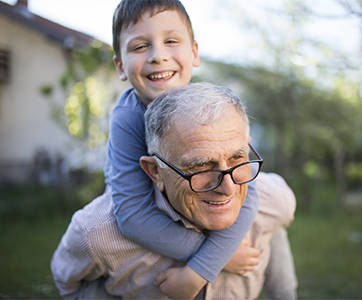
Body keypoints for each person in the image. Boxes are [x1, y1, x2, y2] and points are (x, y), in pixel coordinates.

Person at [51, 82, 298, 299]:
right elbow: (68, 282)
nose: (227, 188)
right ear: (156, 172)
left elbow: (278, 238)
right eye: (200, 165)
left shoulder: (273, 200)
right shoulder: (98, 233)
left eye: (237, 157)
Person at [106, 0, 260, 298]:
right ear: (120, 66)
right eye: (139, 47)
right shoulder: (127, 118)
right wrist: (214, 260)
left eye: (171, 41)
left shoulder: (211, 106)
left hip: (202, 204)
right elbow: (133, 215)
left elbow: (249, 191)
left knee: (273, 208)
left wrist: (202, 266)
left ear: (194, 53)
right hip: (159, 216)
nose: (158, 56)